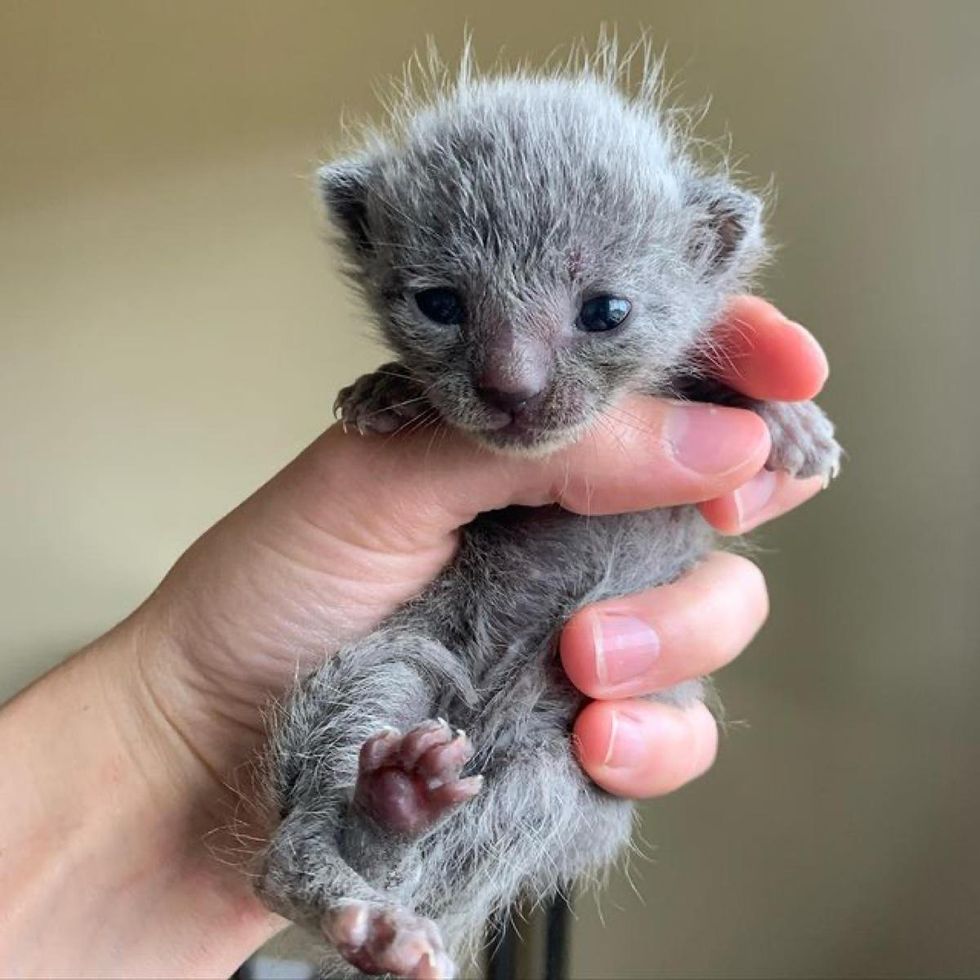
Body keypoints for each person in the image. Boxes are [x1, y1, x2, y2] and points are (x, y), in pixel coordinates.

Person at [0, 296, 830, 977]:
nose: (516, 375)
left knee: (564, 790)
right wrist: (414, 396)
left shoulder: (698, 374)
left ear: (708, 246)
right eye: (445, 305)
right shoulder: (444, 414)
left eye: (603, 311)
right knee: (382, 682)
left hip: (553, 738)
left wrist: (761, 409)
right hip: (430, 655)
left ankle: (378, 858)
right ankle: (330, 861)